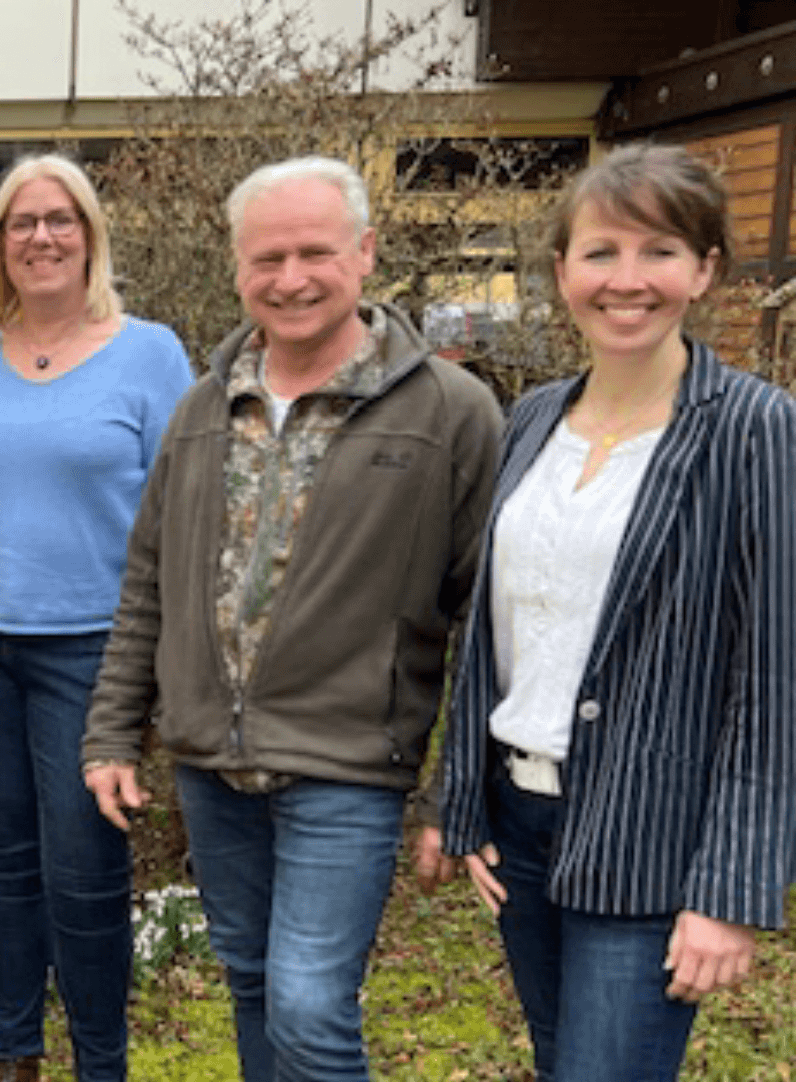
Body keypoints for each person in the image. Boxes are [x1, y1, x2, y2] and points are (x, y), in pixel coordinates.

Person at [79, 156, 503, 1082]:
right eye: (267, 258)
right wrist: (112, 732)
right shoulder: (202, 409)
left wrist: (458, 791)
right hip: (212, 764)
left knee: (309, 1005)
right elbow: (148, 582)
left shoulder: (450, 412)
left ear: (365, 253)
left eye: (316, 252)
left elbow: (487, 619)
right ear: (239, 268)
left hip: (346, 762)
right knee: (253, 985)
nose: (292, 278)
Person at [425, 144, 795, 1080]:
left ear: (705, 269)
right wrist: (466, 802)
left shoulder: (752, 427)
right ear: (560, 273)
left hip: (652, 836)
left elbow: (775, 673)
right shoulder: (533, 419)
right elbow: (493, 633)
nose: (626, 281)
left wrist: (731, 890)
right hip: (524, 825)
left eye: (660, 251)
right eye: (600, 253)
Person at [0, 154, 193, 1082]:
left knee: (85, 875)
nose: (41, 237)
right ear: (0, 243)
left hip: (93, 654)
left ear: (90, 235)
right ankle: (15, 1057)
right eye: (21, 222)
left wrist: (160, 662)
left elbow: (180, 515)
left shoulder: (150, 354)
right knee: (1, 865)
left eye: (60, 219)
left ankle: (101, 1065)